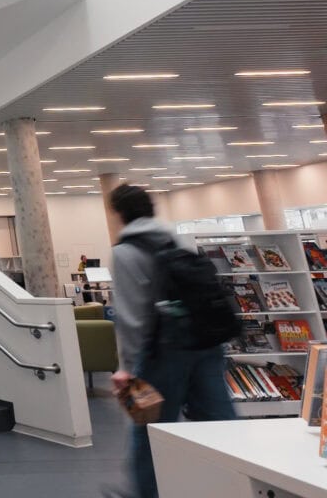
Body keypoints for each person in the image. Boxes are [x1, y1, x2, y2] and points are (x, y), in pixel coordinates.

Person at [108, 184, 235, 498]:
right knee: (219, 420)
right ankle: (235, 484)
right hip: (205, 343)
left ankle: (147, 492)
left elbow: (132, 317)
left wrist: (129, 369)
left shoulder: (124, 252)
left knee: (149, 425)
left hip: (162, 353)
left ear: (120, 214)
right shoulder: (174, 238)